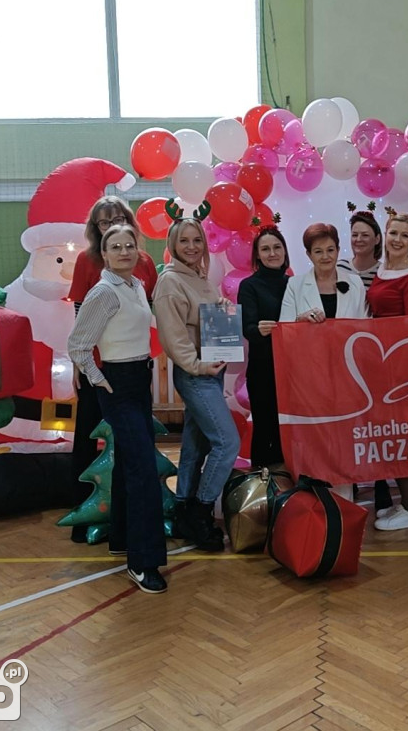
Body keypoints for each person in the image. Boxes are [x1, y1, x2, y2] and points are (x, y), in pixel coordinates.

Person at [68, 224, 167, 594]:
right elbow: (78, 344)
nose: (124, 251)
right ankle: (143, 562)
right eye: (116, 247)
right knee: (143, 470)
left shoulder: (136, 285)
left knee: (129, 465)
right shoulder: (103, 292)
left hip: (138, 380)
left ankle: (123, 539)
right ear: (105, 255)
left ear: (137, 251)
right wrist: (99, 379)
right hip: (118, 384)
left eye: (129, 245)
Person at [153, 216, 240, 552]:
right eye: (184, 240)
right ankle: (201, 513)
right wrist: (198, 366)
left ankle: (182, 510)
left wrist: (222, 309)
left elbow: (205, 321)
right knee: (227, 443)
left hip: (210, 372)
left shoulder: (199, 278)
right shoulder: (170, 282)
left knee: (195, 447)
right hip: (196, 374)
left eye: (197, 240)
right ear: (172, 245)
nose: (191, 246)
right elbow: (174, 338)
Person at [68, 197, 158, 516]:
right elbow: (81, 313)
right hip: (99, 364)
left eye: (119, 219)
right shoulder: (87, 260)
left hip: (132, 364)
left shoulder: (143, 262)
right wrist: (82, 365)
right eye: (105, 222)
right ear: (97, 230)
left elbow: (147, 307)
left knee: (132, 445)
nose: (113, 226)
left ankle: (122, 518)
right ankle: (81, 506)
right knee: (86, 432)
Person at [367, 211, 408, 530]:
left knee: (405, 435)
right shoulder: (384, 269)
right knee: (390, 436)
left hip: (401, 367)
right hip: (381, 363)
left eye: (405, 235)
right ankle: (405, 503)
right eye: (394, 233)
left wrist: (403, 375)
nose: (398, 240)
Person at [237, 226, 291, 467]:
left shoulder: (295, 284)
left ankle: (288, 482)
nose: (272, 253)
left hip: (292, 371)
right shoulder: (249, 286)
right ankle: (261, 482)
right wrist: (258, 329)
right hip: (263, 370)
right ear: (257, 255)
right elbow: (247, 328)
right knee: (264, 428)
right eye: (266, 249)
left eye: (277, 247)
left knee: (288, 429)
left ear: (285, 251)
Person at [280, 223, 368, 322]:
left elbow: (365, 325)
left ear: (338, 251)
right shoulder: (295, 285)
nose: (325, 256)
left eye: (330, 250)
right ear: (309, 254)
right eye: (318, 252)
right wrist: (300, 320)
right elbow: (285, 326)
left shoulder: (356, 283)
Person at [337, 210, 382, 289]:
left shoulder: (383, 273)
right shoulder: (339, 267)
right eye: (355, 235)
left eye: (365, 235)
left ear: (377, 239)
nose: (358, 239)